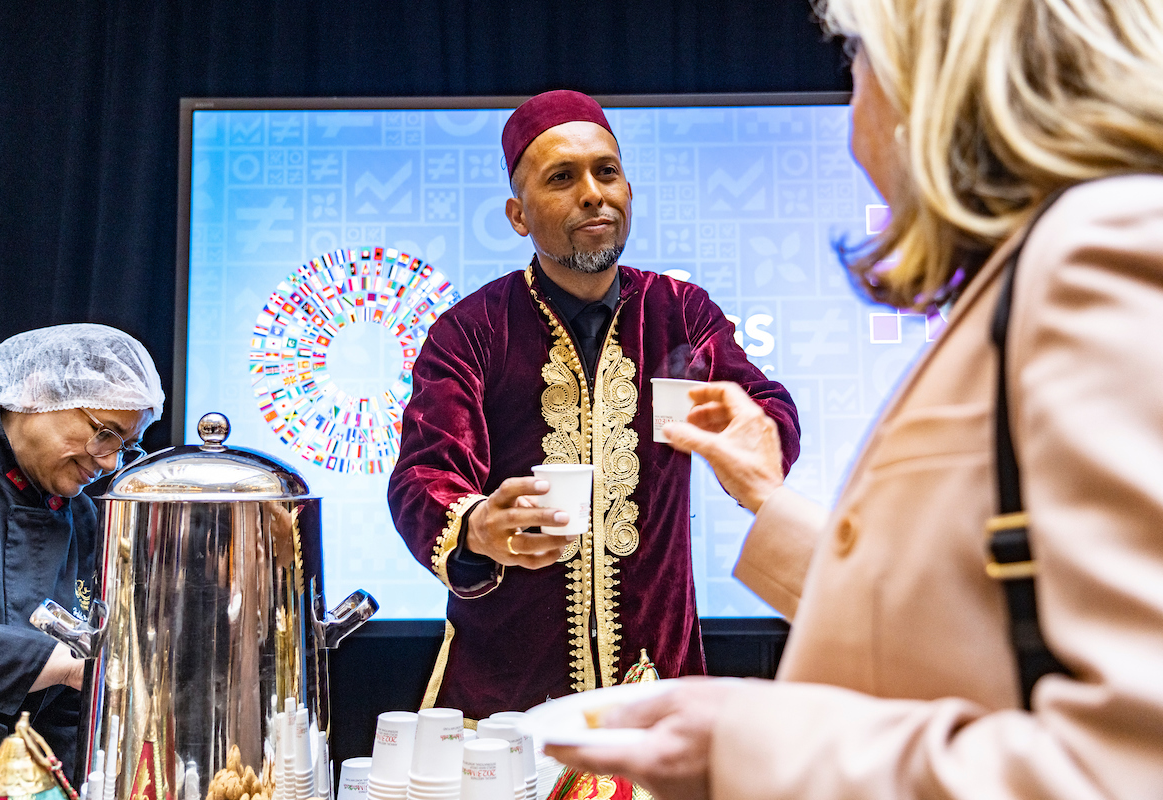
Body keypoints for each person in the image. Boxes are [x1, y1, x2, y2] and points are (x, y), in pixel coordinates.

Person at [547, 0, 1163, 797]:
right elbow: (969, 621)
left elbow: (1131, 763)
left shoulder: (1099, 252)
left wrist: (750, 748)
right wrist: (767, 496)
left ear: (934, 78)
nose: (852, 103)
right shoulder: (1037, 269)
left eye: (859, 60)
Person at [388, 90, 801, 720]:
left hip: (655, 687)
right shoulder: (471, 330)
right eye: (562, 178)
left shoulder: (680, 315)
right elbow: (424, 475)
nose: (593, 193)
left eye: (606, 172)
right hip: (505, 704)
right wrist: (477, 525)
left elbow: (763, 404)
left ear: (629, 190)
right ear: (517, 215)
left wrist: (754, 432)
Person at [0, 324, 164, 790]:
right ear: (37, 394)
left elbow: (70, 715)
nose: (110, 462)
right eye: (105, 433)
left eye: (124, 446)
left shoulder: (84, 519)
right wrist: (68, 663)